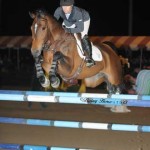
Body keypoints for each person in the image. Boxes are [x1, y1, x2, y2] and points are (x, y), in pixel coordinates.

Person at [54, 0, 95, 67]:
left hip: (84, 20)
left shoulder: (77, 12)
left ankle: (89, 58)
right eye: (63, 7)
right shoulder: (58, 10)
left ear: (72, 6)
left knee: (83, 36)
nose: (65, 9)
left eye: (67, 7)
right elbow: (54, 23)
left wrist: (69, 30)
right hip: (69, 20)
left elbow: (80, 29)